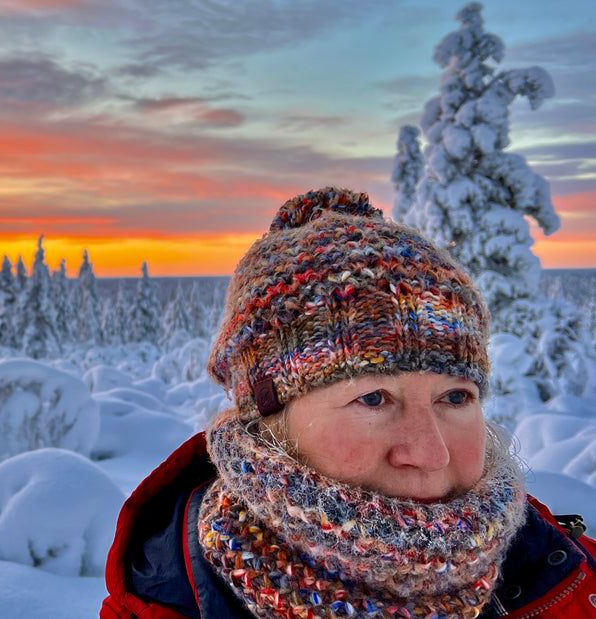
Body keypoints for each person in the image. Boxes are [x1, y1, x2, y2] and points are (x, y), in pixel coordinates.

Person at [101, 188, 596, 618]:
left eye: (454, 397)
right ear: (269, 422)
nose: (431, 453)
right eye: (374, 398)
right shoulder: (161, 604)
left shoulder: (566, 576)